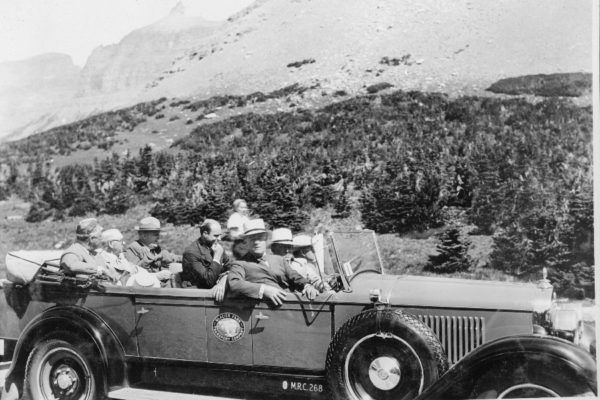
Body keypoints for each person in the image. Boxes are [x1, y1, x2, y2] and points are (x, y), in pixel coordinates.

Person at [228, 219, 319, 306]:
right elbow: (234, 284)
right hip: (267, 309)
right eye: (252, 239)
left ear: (265, 239)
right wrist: (263, 290)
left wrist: (307, 286)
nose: (256, 242)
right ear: (246, 241)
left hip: (291, 305)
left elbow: (295, 277)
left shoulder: (279, 259)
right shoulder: (240, 264)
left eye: (260, 238)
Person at [182, 219, 231, 300]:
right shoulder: (191, 253)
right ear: (205, 234)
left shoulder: (215, 246)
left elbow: (231, 267)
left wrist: (223, 280)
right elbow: (208, 282)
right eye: (216, 236)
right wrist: (217, 257)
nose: (219, 239)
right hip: (198, 296)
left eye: (220, 235)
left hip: (216, 291)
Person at [125, 217, 181, 283]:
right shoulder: (133, 250)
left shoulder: (154, 248)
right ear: (143, 235)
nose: (159, 237)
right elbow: (132, 275)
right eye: (156, 235)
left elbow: (171, 257)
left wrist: (186, 257)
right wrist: (156, 275)